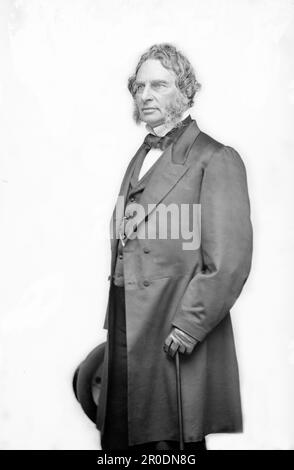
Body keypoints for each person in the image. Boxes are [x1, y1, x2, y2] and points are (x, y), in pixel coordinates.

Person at [96, 43, 253, 451]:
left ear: (184, 91)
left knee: (171, 445)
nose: (144, 95)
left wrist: (190, 324)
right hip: (128, 323)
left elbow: (229, 260)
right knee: (123, 442)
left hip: (172, 325)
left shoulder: (215, 158)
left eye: (158, 85)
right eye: (139, 86)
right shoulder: (141, 154)